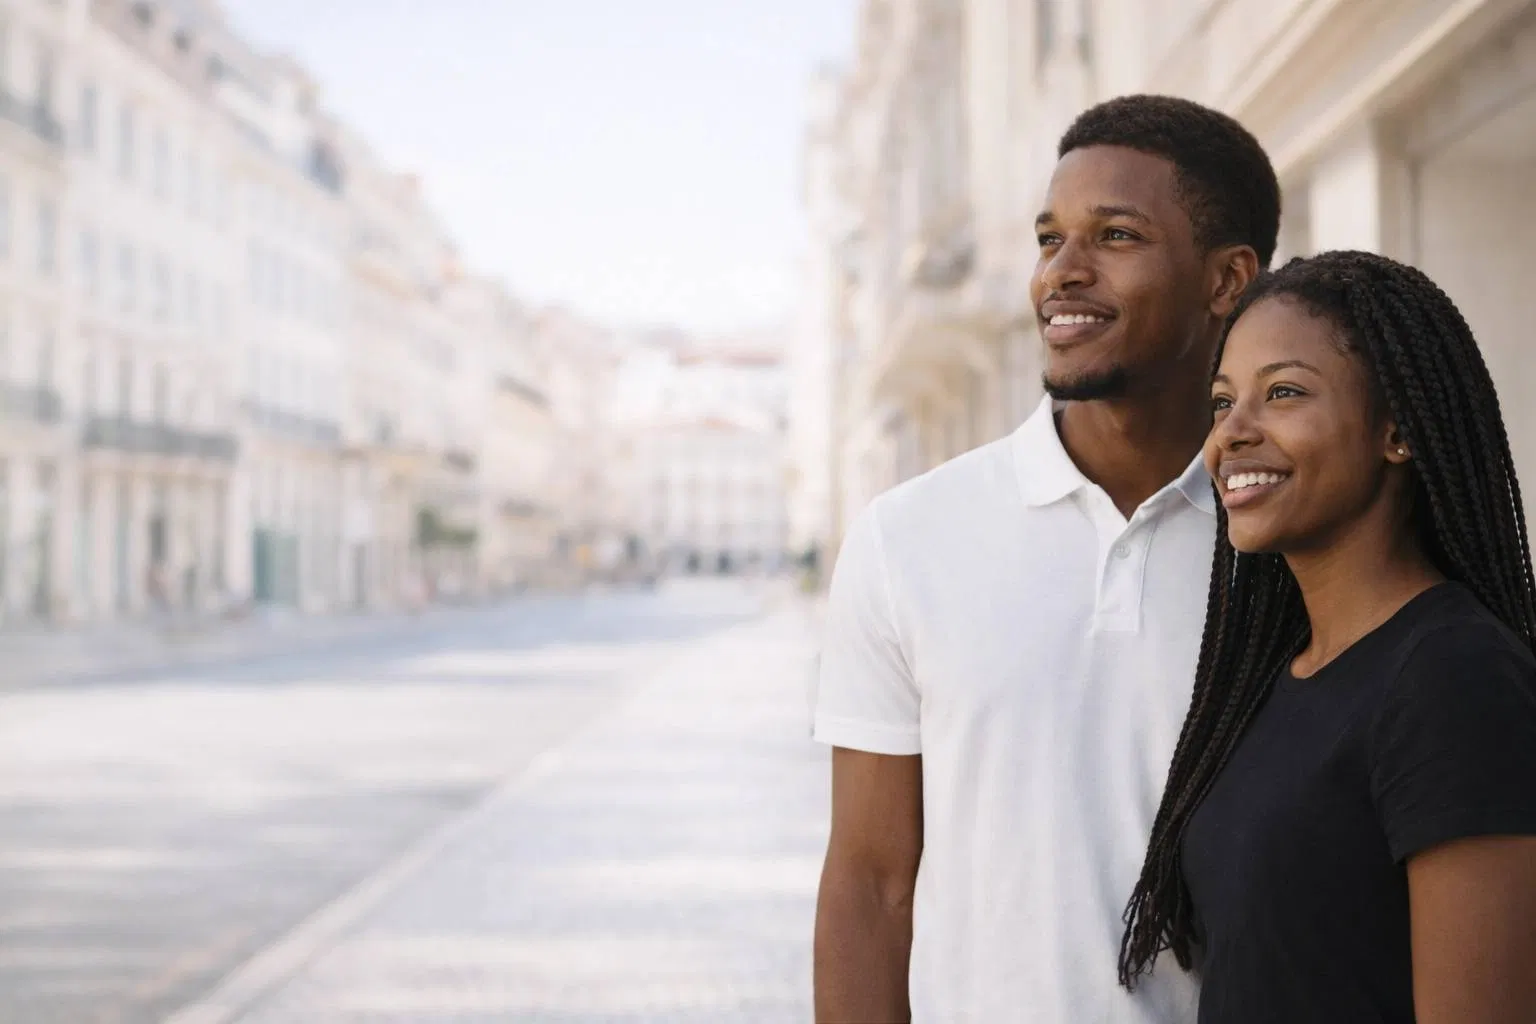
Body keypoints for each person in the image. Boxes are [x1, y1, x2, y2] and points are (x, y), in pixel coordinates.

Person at [812, 95, 1278, 1022]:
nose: (1061, 273)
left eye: (1114, 236)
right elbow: (869, 883)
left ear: (1227, 280)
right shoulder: (909, 538)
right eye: (1048, 238)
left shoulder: (1289, 537)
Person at [1119, 251, 1536, 1022]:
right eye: (1221, 402)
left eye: (1282, 393)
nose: (1229, 436)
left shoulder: (1454, 677)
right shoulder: (1280, 678)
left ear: (1399, 431)